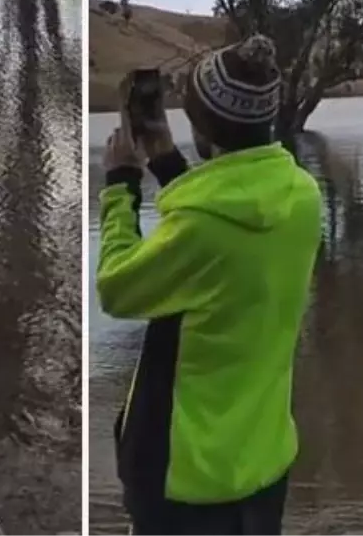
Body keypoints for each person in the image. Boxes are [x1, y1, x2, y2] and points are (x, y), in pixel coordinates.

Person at [95, 35, 324, 536]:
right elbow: (224, 218)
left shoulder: (199, 230)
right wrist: (163, 161)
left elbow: (116, 288)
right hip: (262, 463)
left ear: (201, 127)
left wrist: (120, 189)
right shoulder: (305, 198)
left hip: (185, 479)